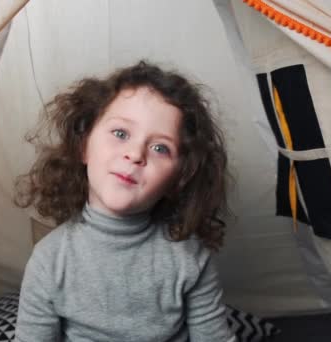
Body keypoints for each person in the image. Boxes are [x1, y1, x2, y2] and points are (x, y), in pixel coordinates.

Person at [13, 60, 236, 342]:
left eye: (160, 148)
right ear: (83, 147)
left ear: (178, 178)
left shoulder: (189, 258)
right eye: (120, 133)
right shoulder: (50, 259)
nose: (135, 154)